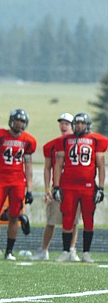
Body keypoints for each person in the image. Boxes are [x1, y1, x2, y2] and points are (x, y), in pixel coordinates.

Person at [0, 108, 37, 260]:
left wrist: (30, 189)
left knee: (14, 217)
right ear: (11, 121)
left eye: (21, 121)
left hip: (18, 182)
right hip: (1, 181)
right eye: (16, 120)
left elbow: (28, 167)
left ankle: (9, 252)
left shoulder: (28, 141)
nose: (18, 124)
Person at [53, 112, 107, 263]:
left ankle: (86, 252)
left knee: (88, 219)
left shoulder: (96, 140)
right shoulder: (65, 141)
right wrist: (56, 186)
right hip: (68, 185)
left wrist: (101, 187)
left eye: (81, 123)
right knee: (68, 219)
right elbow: (58, 165)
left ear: (87, 125)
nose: (78, 126)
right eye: (76, 124)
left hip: (88, 186)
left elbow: (101, 166)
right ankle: (65, 251)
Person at [33, 113, 79, 261]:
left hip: (74, 187)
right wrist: (48, 189)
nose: (64, 126)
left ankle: (71, 249)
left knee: (74, 221)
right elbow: (47, 168)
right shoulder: (51, 145)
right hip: (58, 187)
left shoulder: (80, 143)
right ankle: (44, 249)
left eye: (67, 123)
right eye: (62, 123)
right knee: (51, 220)